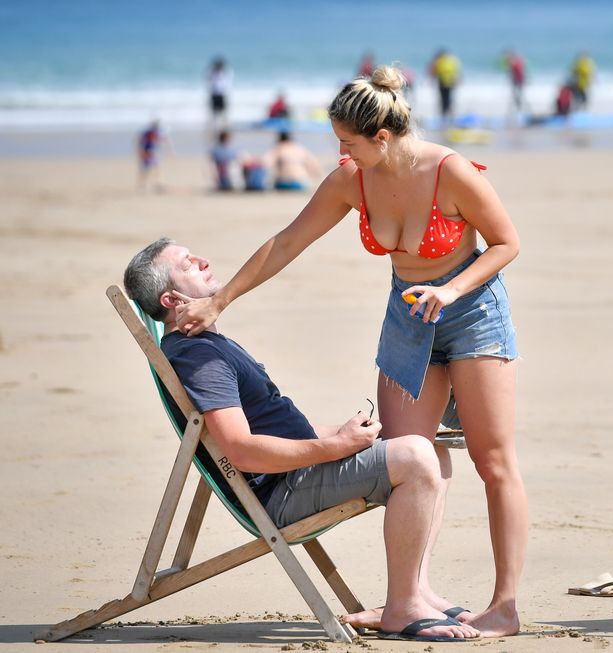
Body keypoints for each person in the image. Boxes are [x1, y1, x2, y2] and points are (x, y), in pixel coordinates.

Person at [174, 65, 526, 638]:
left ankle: (504, 606)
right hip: (408, 317)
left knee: (493, 461)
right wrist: (221, 303)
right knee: (414, 453)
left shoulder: (450, 171)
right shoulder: (351, 179)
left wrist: (451, 289)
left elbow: (508, 242)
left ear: (381, 138)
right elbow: (288, 240)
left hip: (473, 312)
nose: (340, 152)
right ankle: (412, 598)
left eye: (348, 142)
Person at [123, 238, 481, 642]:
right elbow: (241, 449)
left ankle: (417, 590)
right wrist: (337, 446)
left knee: (427, 445)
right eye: (188, 264)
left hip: (297, 472)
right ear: (172, 299)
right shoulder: (198, 357)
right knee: (416, 457)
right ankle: (403, 607)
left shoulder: (208, 346)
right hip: (283, 491)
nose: (203, 260)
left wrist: (347, 435)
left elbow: (274, 430)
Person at [136, 120, 172, 192]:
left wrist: (169, 150)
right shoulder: (149, 133)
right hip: (148, 152)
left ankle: (156, 184)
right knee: (148, 169)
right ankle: (144, 185)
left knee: (154, 168)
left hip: (151, 152)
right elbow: (141, 141)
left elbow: (163, 140)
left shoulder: (153, 133)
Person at [429, 49, 462, 122]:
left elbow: (434, 71)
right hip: (450, 83)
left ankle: (444, 117)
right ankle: (450, 116)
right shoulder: (452, 61)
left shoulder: (440, 61)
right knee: (448, 99)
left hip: (443, 83)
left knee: (444, 100)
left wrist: (431, 80)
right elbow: (456, 72)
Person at [207, 57, 233, 129]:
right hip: (214, 94)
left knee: (223, 112)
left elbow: (228, 82)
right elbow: (209, 81)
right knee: (214, 112)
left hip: (222, 94)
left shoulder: (225, 73)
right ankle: (215, 126)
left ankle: (224, 127)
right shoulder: (212, 73)